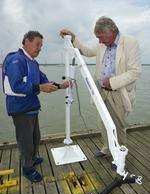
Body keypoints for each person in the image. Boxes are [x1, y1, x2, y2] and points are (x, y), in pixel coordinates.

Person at [60, 16, 141, 157]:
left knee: (118, 125)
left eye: (100, 37)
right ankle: (107, 148)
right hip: (101, 90)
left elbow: (135, 72)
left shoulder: (130, 43)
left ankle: (120, 155)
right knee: (103, 122)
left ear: (111, 31)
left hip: (118, 91)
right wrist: (73, 38)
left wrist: (113, 82)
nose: (99, 41)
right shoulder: (102, 44)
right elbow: (86, 51)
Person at [2, 31, 69, 182]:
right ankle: (28, 168)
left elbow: (44, 81)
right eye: (37, 44)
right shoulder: (16, 60)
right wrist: (40, 87)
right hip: (20, 109)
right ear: (26, 41)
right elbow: (16, 86)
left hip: (32, 107)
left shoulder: (33, 62)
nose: (40, 48)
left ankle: (32, 158)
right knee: (26, 141)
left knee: (35, 137)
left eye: (41, 46)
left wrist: (61, 85)